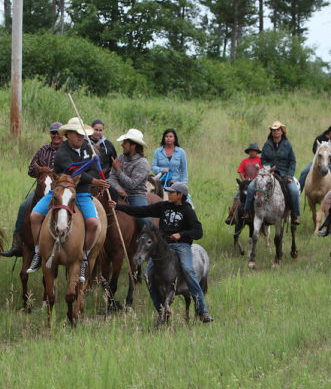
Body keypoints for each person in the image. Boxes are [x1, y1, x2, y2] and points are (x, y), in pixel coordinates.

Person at [108, 182, 213, 323]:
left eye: (171, 192)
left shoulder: (187, 210)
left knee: (188, 270)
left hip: (181, 246)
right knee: (147, 275)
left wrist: (181, 235)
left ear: (180, 195)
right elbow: (142, 210)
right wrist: (118, 206)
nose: (168, 194)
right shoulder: (164, 206)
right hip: (164, 247)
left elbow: (198, 231)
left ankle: (202, 311)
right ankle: (162, 310)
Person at [27, 117, 110, 276]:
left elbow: (93, 167)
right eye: (77, 133)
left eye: (82, 133)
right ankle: (38, 253)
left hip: (83, 192)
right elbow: (73, 171)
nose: (80, 136)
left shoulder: (88, 148)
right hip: (60, 191)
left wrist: (94, 178)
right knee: (35, 216)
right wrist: (94, 180)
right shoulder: (62, 153)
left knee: (93, 223)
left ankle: (84, 257)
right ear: (68, 135)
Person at [0, 122, 63, 258]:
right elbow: (30, 170)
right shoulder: (43, 150)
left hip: (60, 189)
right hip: (42, 188)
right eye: (53, 133)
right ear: (50, 134)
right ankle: (17, 243)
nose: (56, 136)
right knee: (24, 206)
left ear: (63, 135)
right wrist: (41, 171)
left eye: (58, 133)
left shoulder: (66, 151)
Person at [242, 121, 301, 228]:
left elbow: (292, 161)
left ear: (282, 132)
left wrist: (289, 175)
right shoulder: (267, 144)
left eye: (277, 130)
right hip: (268, 173)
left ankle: (295, 215)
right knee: (251, 188)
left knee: (294, 191)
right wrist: (268, 170)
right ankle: (248, 212)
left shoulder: (287, 145)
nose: (275, 132)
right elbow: (263, 159)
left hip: (284, 174)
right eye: (273, 130)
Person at [108, 128, 150, 229]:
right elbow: (111, 177)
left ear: (133, 145)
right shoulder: (120, 157)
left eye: (125, 143)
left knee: (143, 219)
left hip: (135, 195)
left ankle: (149, 238)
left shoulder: (142, 163)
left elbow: (132, 184)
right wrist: (119, 189)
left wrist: (118, 170)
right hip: (117, 192)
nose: (122, 145)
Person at [225, 143, 262, 225]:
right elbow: (241, 172)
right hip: (246, 183)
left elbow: (262, 172)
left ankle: (263, 216)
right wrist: (244, 181)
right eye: (250, 151)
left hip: (257, 183)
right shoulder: (244, 161)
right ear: (248, 152)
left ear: (257, 152)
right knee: (236, 196)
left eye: (254, 151)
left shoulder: (260, 160)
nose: (252, 152)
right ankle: (231, 216)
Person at [297, 125, 331, 190]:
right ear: (330, 132)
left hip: (330, 162)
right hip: (319, 161)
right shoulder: (320, 139)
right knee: (304, 172)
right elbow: (314, 149)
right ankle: (299, 191)